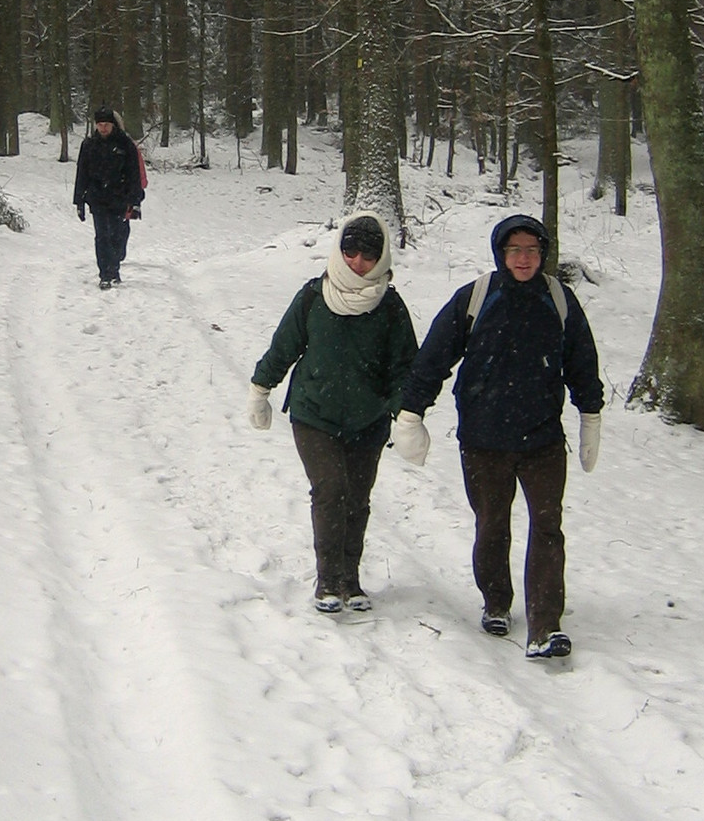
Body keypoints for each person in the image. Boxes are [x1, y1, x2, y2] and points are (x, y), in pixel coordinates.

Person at [393, 213, 603, 659]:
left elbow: (582, 360)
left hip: (543, 439)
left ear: (543, 254)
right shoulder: (476, 297)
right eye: (514, 250)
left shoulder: (558, 299)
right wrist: (411, 412)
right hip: (483, 439)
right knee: (492, 525)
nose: (523, 258)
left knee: (547, 527)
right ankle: (496, 601)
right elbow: (435, 356)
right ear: (500, 253)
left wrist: (591, 416)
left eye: (532, 250)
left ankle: (545, 626)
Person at [248, 212, 418, 614]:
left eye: (368, 255)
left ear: (381, 258)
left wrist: (408, 415)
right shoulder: (313, 297)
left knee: (357, 497)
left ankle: (350, 579)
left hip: (368, 418)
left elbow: (405, 368)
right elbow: (284, 347)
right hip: (314, 414)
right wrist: (260, 389)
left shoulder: (390, 306)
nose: (358, 262)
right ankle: (328, 580)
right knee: (330, 490)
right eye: (350, 251)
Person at [73, 106, 143, 289]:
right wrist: (79, 200)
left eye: (106, 125)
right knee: (102, 236)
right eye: (100, 125)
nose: (103, 128)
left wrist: (135, 201)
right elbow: (82, 173)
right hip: (97, 197)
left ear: (113, 125)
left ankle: (115, 266)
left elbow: (134, 174)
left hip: (120, 197)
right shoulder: (89, 145)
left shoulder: (125, 145)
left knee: (117, 235)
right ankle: (105, 274)